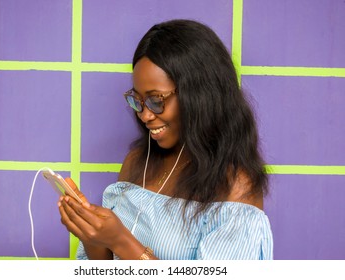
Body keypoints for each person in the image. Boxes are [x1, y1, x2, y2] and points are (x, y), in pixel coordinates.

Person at [58, 19, 273, 260]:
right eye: (137, 100)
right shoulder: (137, 161)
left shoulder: (235, 187)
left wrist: (121, 240)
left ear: (201, 96)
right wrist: (91, 235)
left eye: (156, 100)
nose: (145, 115)